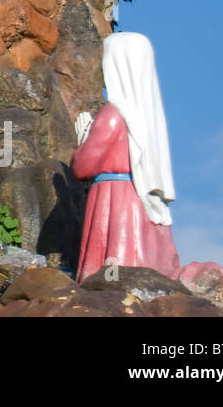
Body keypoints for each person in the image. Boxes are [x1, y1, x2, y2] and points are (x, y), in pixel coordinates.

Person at [72, 31, 182, 282]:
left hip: (114, 203)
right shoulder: (150, 118)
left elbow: (83, 167)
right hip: (142, 205)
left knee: (107, 282)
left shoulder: (113, 114)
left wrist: (83, 140)